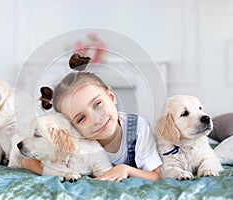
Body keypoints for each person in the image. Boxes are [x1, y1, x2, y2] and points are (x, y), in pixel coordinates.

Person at [21, 53, 162, 182]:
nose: (95, 119)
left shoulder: (138, 128)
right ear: (73, 127)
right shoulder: (76, 142)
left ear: (111, 96)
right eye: (81, 118)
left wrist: (126, 169)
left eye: (97, 104)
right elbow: (27, 162)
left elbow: (156, 175)